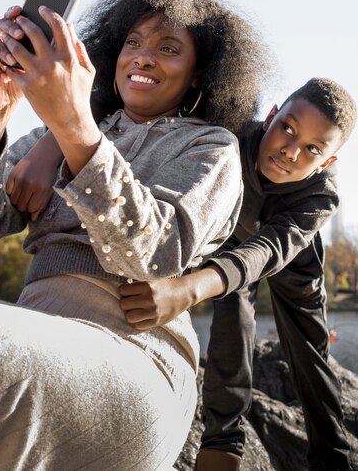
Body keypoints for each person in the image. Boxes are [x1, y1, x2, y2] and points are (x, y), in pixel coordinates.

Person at [0, 0, 270, 471]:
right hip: (33, 337)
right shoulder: (58, 136)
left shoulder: (209, 147)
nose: (142, 56)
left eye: (167, 48)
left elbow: (153, 253)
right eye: (133, 42)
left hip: (131, 363)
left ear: (199, 74)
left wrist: (72, 129)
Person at [113, 77, 357, 471]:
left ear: (326, 163)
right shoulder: (231, 138)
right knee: (232, 313)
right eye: (288, 129)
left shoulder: (320, 195)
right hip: (228, 237)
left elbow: (267, 251)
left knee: (310, 349)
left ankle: (333, 459)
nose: (290, 151)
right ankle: (223, 441)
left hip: (286, 251)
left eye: (312, 149)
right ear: (272, 116)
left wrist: (187, 290)